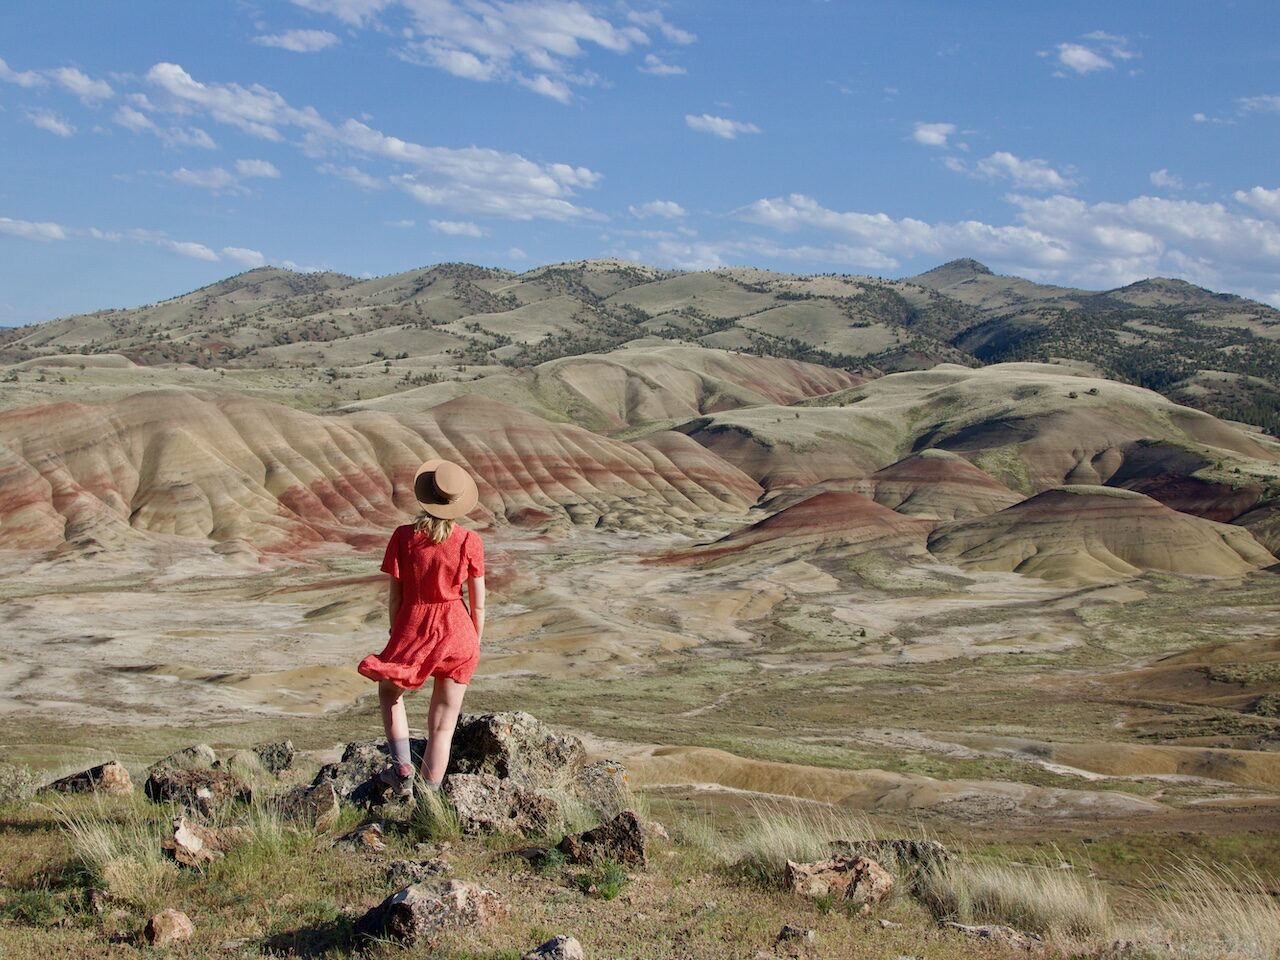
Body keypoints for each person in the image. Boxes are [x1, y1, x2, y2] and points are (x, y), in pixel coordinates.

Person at [357, 458, 485, 800]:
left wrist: (397, 636)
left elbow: (395, 598)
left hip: (413, 626)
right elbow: (479, 603)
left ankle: (401, 765)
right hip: (460, 631)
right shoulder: (469, 540)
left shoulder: (402, 537)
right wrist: (475, 641)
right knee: (443, 725)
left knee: (388, 693)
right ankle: (428, 799)